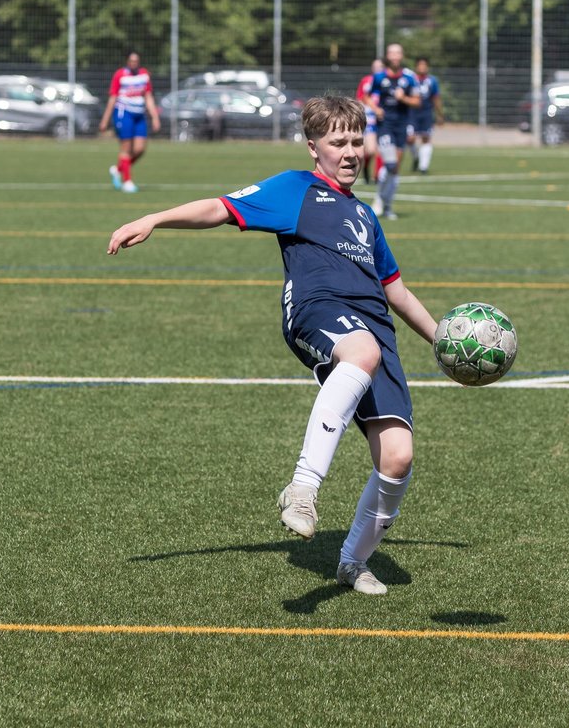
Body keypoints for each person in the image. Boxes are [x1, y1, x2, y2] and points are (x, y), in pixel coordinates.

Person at [107, 96, 439, 596]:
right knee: (361, 351)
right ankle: (302, 488)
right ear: (314, 148)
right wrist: (154, 218)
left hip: (375, 329)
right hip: (318, 308)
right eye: (337, 143)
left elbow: (395, 291)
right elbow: (218, 209)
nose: (350, 152)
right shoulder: (295, 189)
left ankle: (352, 562)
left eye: (355, 141)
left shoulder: (366, 216)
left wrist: (442, 342)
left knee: (397, 458)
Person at [362, 43, 421, 220]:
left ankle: (387, 205)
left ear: (402, 56)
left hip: (401, 126)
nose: (394, 56)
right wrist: (375, 108)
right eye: (391, 53)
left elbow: (417, 102)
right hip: (385, 125)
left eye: (398, 53)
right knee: (390, 163)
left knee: (394, 169)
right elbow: (366, 96)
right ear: (388, 56)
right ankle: (379, 201)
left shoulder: (409, 78)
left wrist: (404, 98)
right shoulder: (379, 77)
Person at [100, 51, 161, 194]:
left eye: (136, 61)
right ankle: (127, 181)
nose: (134, 63)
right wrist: (105, 120)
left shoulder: (144, 75)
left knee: (140, 149)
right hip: (124, 114)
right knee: (126, 149)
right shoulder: (120, 75)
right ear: (127, 61)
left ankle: (117, 170)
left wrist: (155, 117)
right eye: (131, 60)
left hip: (139, 116)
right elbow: (112, 98)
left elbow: (148, 96)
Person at [408, 57, 444, 174]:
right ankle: (416, 157)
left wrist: (440, 114)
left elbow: (436, 98)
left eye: (425, 65)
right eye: (420, 65)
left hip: (426, 113)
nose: (422, 67)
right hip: (412, 113)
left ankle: (424, 167)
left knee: (426, 138)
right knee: (410, 138)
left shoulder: (432, 80)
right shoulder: (411, 79)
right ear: (416, 67)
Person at [357, 59, 384, 185]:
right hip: (370, 118)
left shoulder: (387, 80)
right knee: (371, 150)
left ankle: (378, 176)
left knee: (383, 148)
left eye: (380, 66)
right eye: (376, 66)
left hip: (384, 118)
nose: (378, 69)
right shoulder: (366, 81)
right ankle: (366, 167)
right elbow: (360, 98)